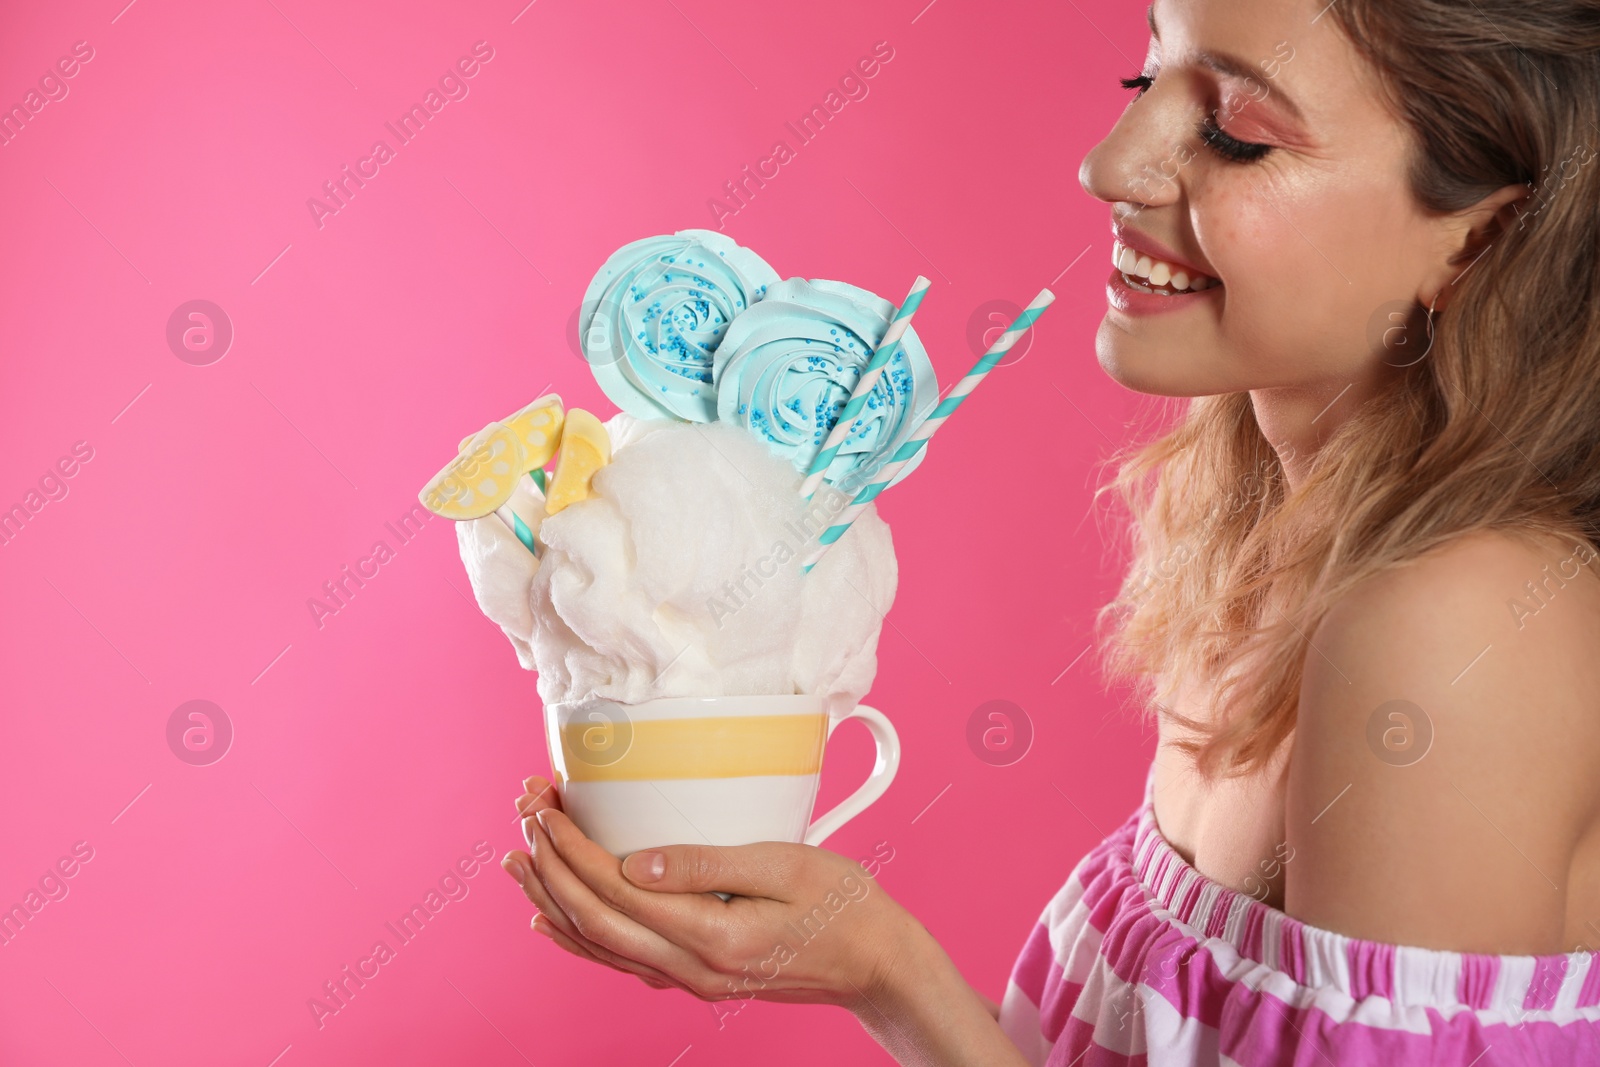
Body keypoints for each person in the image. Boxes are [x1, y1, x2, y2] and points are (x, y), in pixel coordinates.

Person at [497, 0, 1600, 1061]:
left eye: (1234, 133)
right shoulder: (1263, 541)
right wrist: (860, 964)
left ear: (1475, 242)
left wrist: (890, 965)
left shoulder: (1452, 633)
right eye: (1144, 78)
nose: (1110, 163)